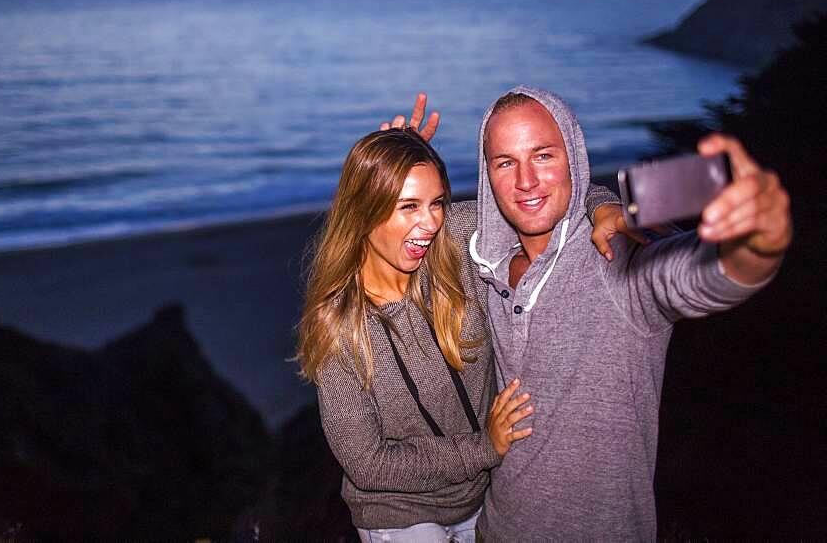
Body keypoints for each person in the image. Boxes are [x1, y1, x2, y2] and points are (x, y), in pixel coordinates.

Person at [392, 86, 791, 539]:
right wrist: (395, 174)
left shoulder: (616, 258)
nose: (525, 181)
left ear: (574, 158)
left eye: (543, 156)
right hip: (496, 529)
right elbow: (395, 235)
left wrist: (760, 243)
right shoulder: (481, 262)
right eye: (506, 162)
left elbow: (702, 277)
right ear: (488, 175)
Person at [295, 128, 534, 542]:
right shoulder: (339, 326)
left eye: (436, 202)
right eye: (408, 206)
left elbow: (535, 201)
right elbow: (367, 463)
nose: (429, 222)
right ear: (364, 212)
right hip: (398, 512)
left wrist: (606, 207)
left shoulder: (455, 239)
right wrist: (483, 448)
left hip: (483, 493)